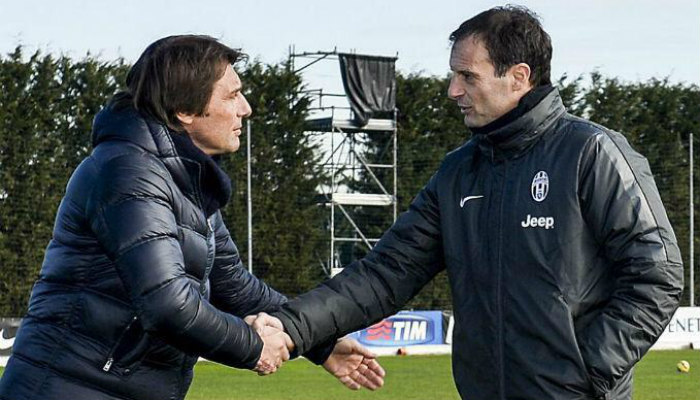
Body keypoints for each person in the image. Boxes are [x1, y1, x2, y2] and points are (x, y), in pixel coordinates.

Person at [248, 6, 684, 400]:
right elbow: (384, 275)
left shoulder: (592, 152)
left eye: (467, 76)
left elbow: (658, 275)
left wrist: (591, 370)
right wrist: (292, 325)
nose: (453, 90)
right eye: (453, 75)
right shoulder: (458, 173)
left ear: (518, 77)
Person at [0, 35, 384, 400]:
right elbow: (167, 304)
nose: (245, 108)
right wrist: (254, 347)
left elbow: (233, 286)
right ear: (185, 110)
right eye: (232, 95)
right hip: (71, 388)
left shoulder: (184, 178)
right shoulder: (129, 171)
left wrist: (317, 341)